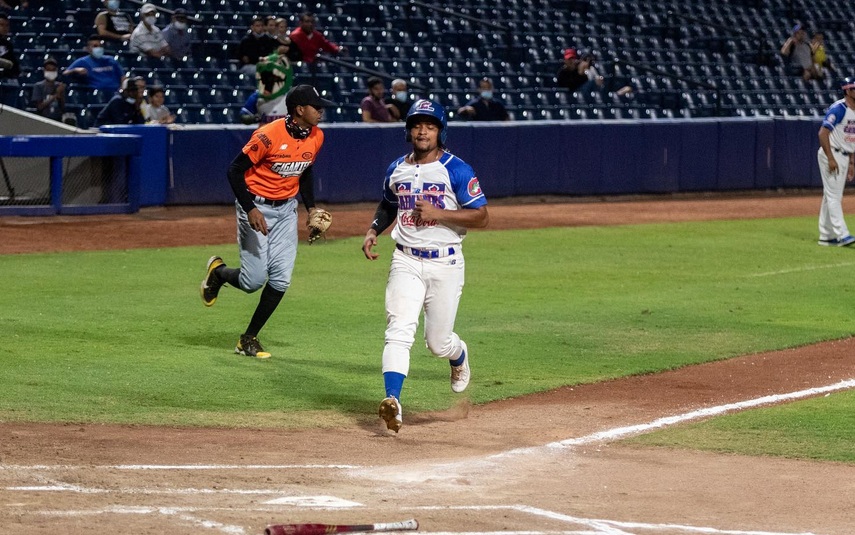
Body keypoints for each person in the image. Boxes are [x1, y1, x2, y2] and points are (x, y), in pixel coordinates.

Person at [361, 99, 489, 433]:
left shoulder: (456, 169)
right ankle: (393, 401)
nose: (422, 130)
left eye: (429, 126)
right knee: (398, 331)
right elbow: (388, 204)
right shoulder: (396, 168)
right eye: (417, 125)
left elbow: (482, 216)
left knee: (437, 343)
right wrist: (375, 228)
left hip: (445, 263)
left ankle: (457, 355)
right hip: (405, 260)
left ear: (439, 132)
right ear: (409, 130)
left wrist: (440, 214)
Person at [200, 85, 335, 358]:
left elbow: (305, 171)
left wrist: (310, 208)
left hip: (286, 210)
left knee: (282, 280)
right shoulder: (267, 135)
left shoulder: (316, 136)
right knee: (252, 282)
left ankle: (248, 339)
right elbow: (235, 170)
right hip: (256, 206)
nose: (321, 111)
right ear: (299, 110)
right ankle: (218, 273)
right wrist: (250, 208)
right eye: (315, 106)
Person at [816, 77, 855, 247]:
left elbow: (852, 139)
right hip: (832, 154)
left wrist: (852, 163)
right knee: (834, 196)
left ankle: (826, 235)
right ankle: (842, 235)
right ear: (847, 91)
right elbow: (822, 133)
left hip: (845, 155)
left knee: (830, 195)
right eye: (854, 89)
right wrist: (831, 158)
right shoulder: (839, 109)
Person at [239, 51, 294, 124]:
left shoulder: (291, 97)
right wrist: (252, 118)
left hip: (284, 134)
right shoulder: (257, 96)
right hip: (265, 133)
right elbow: (244, 114)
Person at [31, 57, 66, 121]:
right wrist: (55, 95)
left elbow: (63, 108)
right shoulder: (38, 86)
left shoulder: (60, 86)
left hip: (57, 119)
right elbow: (39, 107)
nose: (51, 72)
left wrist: (61, 94)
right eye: (48, 70)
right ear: (44, 71)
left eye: (53, 70)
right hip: (42, 119)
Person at [0, 12, 21, 93]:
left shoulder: (8, 45)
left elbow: (14, 66)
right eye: (1, 25)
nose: (5, 28)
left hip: (4, 80)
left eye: (7, 25)